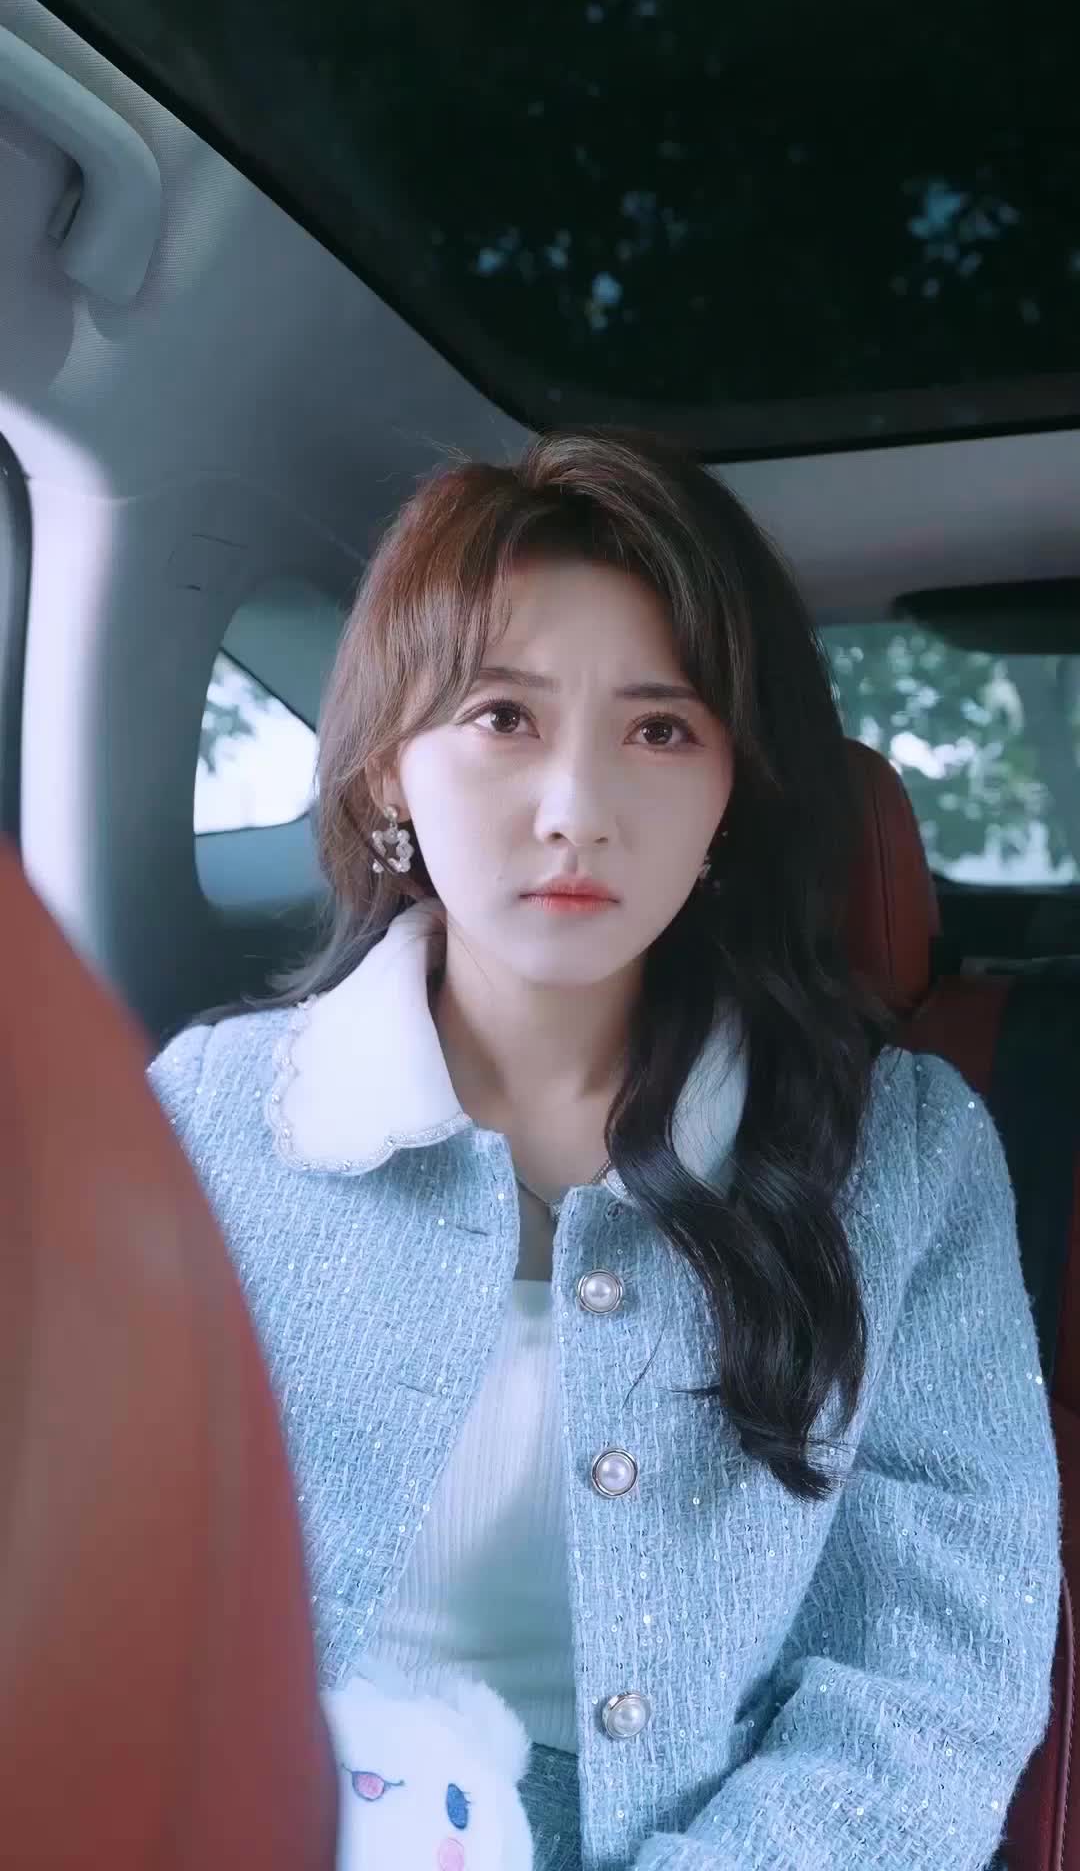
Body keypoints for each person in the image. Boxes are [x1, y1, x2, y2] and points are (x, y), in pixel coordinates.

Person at [149, 429, 1061, 1871]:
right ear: (388, 774)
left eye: (660, 731)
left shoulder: (901, 1158)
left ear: (731, 797)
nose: (575, 807)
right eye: (504, 717)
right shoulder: (210, 1117)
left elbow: (936, 1680)